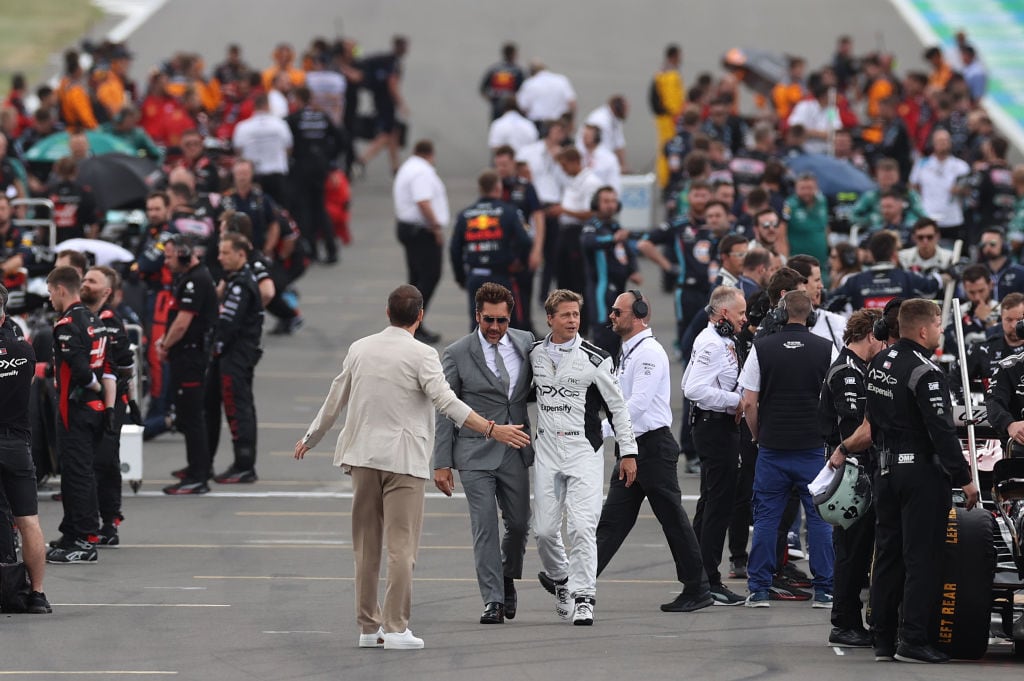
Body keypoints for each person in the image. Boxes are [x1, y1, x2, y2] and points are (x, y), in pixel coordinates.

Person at [295, 284, 530, 650]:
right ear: (420, 316)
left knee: (366, 548)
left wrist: (311, 438)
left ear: (387, 313)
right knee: (401, 549)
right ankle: (396, 627)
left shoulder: (360, 348)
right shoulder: (423, 354)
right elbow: (446, 402)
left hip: (361, 459)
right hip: (403, 463)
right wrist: (490, 428)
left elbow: (335, 397)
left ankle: (368, 627)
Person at [865, 298, 979, 663]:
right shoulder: (926, 372)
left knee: (887, 556)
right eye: (939, 325)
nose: (942, 331)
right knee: (922, 558)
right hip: (920, 476)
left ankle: (882, 638)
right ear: (924, 329)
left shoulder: (880, 361)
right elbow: (941, 431)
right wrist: (964, 478)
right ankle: (912, 639)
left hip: (885, 470)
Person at [595, 290, 711, 611]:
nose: (612, 317)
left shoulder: (648, 352)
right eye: (613, 312)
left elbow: (638, 406)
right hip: (632, 448)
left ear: (639, 313)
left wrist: (601, 430)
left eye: (618, 312)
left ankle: (698, 588)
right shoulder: (628, 351)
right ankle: (576, 579)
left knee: (673, 519)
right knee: (613, 522)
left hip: (652, 448)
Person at [532, 289, 637, 626]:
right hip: (547, 450)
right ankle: (562, 580)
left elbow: (618, 408)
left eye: (576, 315)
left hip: (583, 451)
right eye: (565, 315)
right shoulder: (533, 353)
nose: (572, 321)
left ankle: (584, 597)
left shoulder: (596, 357)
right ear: (550, 318)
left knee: (582, 526)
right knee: (545, 531)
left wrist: (628, 452)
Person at [432, 283, 534, 624]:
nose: (494, 327)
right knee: (485, 526)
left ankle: (507, 577)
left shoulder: (525, 343)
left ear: (511, 316)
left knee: (519, 524)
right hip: (474, 454)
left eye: (501, 320)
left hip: (514, 449)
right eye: (488, 320)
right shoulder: (457, 353)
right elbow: (446, 409)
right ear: (477, 316)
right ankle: (492, 600)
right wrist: (442, 463)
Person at [738, 290, 838, 608]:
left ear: (781, 314)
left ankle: (759, 589)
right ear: (810, 315)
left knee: (767, 517)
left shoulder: (762, 347)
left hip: (773, 447)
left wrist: (757, 435)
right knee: (819, 519)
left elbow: (748, 401)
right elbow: (837, 397)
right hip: (812, 449)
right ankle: (824, 589)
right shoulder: (825, 348)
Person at [818, 309, 885, 647]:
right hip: (852, 473)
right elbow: (856, 427)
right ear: (870, 335)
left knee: (860, 551)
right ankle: (843, 621)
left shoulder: (862, 369)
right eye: (882, 338)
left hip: (864, 469)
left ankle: (854, 618)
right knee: (851, 549)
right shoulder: (847, 372)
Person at [682, 286, 748, 606]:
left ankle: (697, 574)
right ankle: (710, 578)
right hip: (714, 427)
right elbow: (692, 388)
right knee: (718, 506)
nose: (744, 320)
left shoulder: (720, 340)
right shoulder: (711, 342)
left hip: (718, 427)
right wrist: (735, 400)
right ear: (724, 314)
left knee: (710, 501)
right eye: (740, 314)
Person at [44, 267, 114, 564]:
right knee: (76, 473)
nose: (49, 299)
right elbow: (107, 368)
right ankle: (72, 532)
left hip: (76, 409)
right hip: (92, 410)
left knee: (77, 474)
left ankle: (84, 540)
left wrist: (95, 389)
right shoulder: (95, 319)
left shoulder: (67, 323)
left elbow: (83, 372)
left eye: (50, 292)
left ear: (60, 289)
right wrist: (107, 404)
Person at [0, 285, 50, 611]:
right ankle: (37, 594)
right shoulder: (25, 351)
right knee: (28, 520)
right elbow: (28, 383)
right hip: (16, 443)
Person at [80, 267, 136, 547]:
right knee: (85, 464)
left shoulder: (112, 321)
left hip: (110, 404)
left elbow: (127, 366)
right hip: (81, 403)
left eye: (92, 280)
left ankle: (108, 522)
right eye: (84, 279)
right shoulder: (75, 318)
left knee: (104, 462)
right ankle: (87, 524)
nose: (85, 283)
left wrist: (126, 400)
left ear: (107, 291)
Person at [158, 235, 218, 494]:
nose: (166, 261)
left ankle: (198, 475)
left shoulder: (196, 279)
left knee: (192, 417)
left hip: (191, 357)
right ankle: (197, 466)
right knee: (187, 414)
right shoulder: (189, 277)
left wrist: (165, 344)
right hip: (186, 355)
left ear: (184, 254)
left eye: (169, 256)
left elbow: (183, 323)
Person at [206, 232, 264, 484]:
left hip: (236, 353)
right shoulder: (233, 279)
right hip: (234, 352)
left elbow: (228, 322)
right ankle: (231, 463)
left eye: (225, 252)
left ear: (241, 254)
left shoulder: (241, 283)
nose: (220, 257)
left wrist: (215, 345)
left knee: (237, 407)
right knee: (231, 405)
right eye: (219, 252)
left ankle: (244, 465)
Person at [449, 171, 531, 328]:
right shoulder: (509, 212)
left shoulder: (465, 214)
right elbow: (525, 241)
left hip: (476, 276)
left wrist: (461, 277)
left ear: (480, 188)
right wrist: (521, 263)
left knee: (478, 323)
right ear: (498, 187)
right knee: (507, 324)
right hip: (501, 276)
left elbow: (454, 249)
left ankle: (478, 353)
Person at [393, 140, 448, 344]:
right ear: (430, 154)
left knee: (416, 278)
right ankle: (412, 322)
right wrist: (435, 227)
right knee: (430, 276)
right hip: (421, 231)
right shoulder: (422, 171)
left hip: (410, 228)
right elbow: (423, 201)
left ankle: (409, 323)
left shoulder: (408, 167)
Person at [580, 186, 640, 354]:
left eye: (613, 201)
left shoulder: (615, 226)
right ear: (596, 204)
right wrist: (612, 239)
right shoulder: (592, 226)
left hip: (619, 291)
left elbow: (627, 250)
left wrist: (632, 269)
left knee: (617, 336)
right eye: (606, 201)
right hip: (601, 290)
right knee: (602, 335)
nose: (610, 205)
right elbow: (588, 242)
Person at [287, 86, 341, 264]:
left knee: (305, 210)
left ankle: (311, 251)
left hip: (302, 168)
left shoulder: (294, 119)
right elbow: (342, 138)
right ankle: (331, 249)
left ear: (299, 99)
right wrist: (329, 159)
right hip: (320, 168)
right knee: (320, 208)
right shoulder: (322, 117)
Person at [829, 231, 942, 310]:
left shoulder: (854, 281)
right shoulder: (908, 277)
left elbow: (829, 303)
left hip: (867, 341)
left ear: (871, 254)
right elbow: (933, 286)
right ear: (894, 254)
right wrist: (948, 272)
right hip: (900, 341)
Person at [232, 94, 293, 206]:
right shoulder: (280, 125)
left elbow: (238, 152)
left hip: (253, 176)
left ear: (254, 106)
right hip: (276, 175)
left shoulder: (243, 127)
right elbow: (289, 148)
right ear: (268, 105)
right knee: (278, 211)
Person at [909, 129, 970, 237]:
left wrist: (960, 190)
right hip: (928, 215)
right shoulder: (922, 164)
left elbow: (970, 191)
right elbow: (913, 186)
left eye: (946, 140)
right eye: (940, 141)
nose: (943, 143)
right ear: (933, 143)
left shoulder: (961, 166)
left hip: (952, 217)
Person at [652, 45, 685, 187]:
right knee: (669, 147)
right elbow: (672, 102)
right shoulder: (670, 75)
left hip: (664, 118)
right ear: (674, 56)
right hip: (669, 119)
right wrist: (678, 116)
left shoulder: (661, 73)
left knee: (664, 147)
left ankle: (664, 178)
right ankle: (665, 180)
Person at [516, 61, 576, 128]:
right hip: (559, 124)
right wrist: (571, 122)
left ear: (531, 72)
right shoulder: (561, 80)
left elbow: (522, 107)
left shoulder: (529, 84)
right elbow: (572, 103)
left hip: (537, 124)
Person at [480, 43, 525, 121]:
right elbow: (524, 90)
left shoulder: (493, 69)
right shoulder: (518, 71)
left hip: (496, 107)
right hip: (512, 111)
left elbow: (483, 90)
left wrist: (492, 100)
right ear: (513, 54)